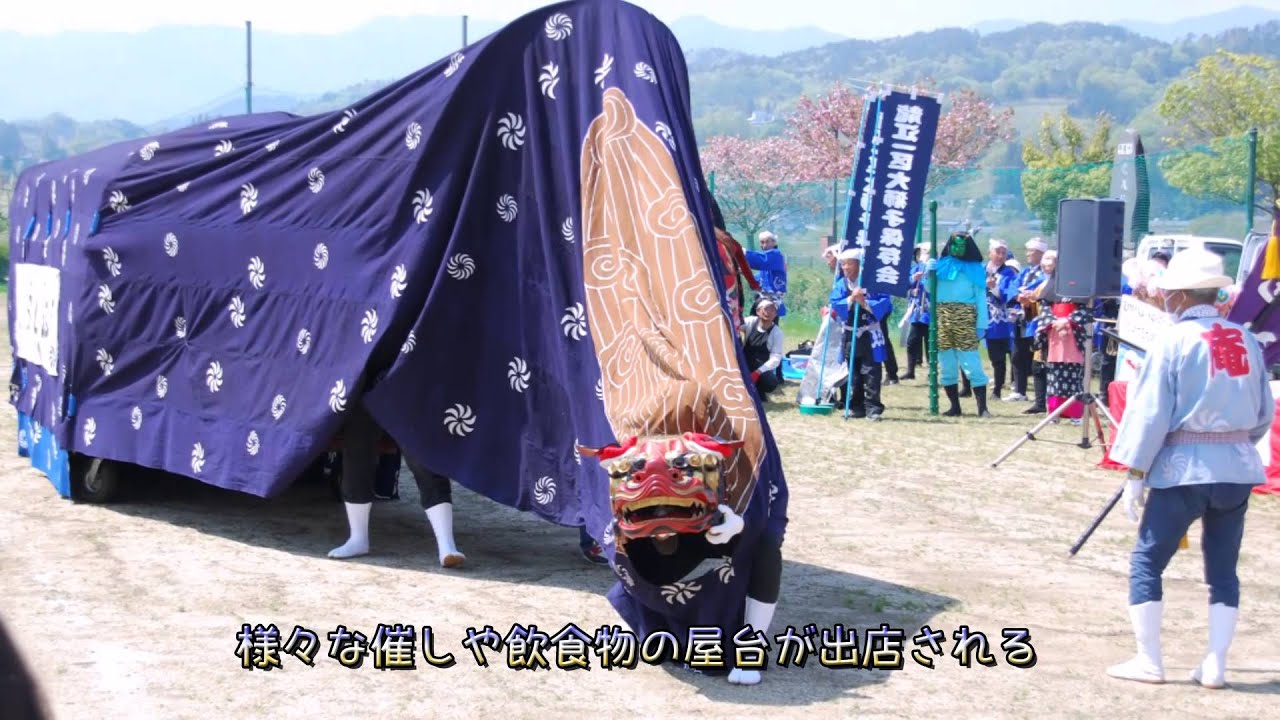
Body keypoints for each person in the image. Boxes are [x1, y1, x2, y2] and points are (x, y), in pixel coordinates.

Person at [1106, 248, 1274, 688]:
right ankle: (1216, 662)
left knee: (1148, 560)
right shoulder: (1244, 338)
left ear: (1178, 297)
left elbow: (1150, 413)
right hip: (1238, 467)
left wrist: (1135, 472)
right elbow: (1263, 413)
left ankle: (1149, 660)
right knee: (1223, 570)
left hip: (1184, 468)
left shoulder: (1173, 341)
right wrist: (1234, 443)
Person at [329, 402, 466, 568]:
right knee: (357, 453)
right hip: (365, 383)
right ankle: (357, 539)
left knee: (422, 457)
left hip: (406, 385)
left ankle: (447, 545)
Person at [928, 232, 992, 417]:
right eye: (954, 244)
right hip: (942, 316)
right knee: (946, 364)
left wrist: (982, 324)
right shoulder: (941, 266)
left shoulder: (976, 269)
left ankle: (982, 407)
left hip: (966, 317)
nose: (957, 249)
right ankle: (954, 406)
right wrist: (928, 274)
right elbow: (928, 289)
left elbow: (980, 298)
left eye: (962, 245)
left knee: (971, 363)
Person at [830, 248, 893, 420]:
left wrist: (863, 302)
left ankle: (873, 407)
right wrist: (851, 299)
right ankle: (856, 405)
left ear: (859, 264)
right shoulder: (841, 284)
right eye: (843, 264)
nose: (845, 268)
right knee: (854, 372)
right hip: (850, 333)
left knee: (871, 372)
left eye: (849, 263)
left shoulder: (873, 283)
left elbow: (885, 304)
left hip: (869, 333)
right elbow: (835, 304)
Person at [1009, 238, 1048, 403]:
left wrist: (1028, 292)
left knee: (1038, 356)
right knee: (1018, 354)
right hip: (1021, 316)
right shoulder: (1026, 271)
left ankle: (1043, 394)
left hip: (1036, 317)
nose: (1028, 254)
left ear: (1040, 253)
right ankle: (1019, 390)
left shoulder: (1045, 273)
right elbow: (1013, 285)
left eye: (1031, 251)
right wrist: (1018, 294)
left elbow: (1041, 286)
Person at [984, 239, 1020, 400]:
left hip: (998, 319)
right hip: (979, 315)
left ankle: (997, 389)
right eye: (997, 252)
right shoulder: (981, 270)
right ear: (989, 253)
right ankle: (966, 386)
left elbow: (1007, 296)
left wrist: (994, 288)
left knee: (997, 356)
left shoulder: (1008, 273)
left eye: (1003, 253)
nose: (999, 256)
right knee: (967, 350)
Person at [742, 299, 785, 397]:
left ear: (775, 315)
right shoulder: (750, 321)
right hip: (744, 362)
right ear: (758, 311)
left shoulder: (777, 332)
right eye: (766, 309)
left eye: (772, 310)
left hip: (761, 366)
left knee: (770, 382)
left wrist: (758, 372)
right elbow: (736, 325)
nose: (769, 313)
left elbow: (776, 358)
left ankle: (757, 388)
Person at [902, 243, 931, 381]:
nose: (923, 256)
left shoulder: (934, 269)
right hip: (917, 312)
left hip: (930, 312)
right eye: (921, 253)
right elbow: (904, 285)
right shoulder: (915, 269)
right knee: (912, 341)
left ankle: (932, 372)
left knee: (931, 344)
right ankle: (910, 370)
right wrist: (913, 281)